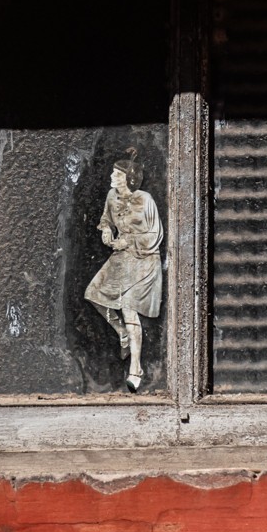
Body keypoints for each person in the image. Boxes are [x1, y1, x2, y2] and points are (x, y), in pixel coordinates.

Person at [83, 149, 163, 392]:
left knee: (129, 309)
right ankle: (122, 333)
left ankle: (136, 369)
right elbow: (106, 219)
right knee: (94, 293)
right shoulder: (111, 196)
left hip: (144, 259)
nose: (112, 177)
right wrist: (106, 230)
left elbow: (155, 235)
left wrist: (129, 242)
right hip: (121, 259)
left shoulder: (145, 199)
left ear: (129, 178)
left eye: (117, 175)